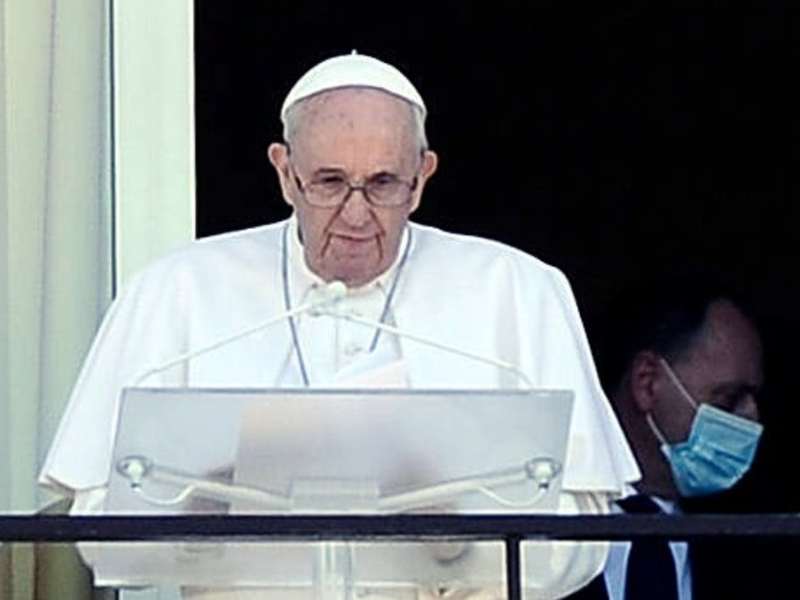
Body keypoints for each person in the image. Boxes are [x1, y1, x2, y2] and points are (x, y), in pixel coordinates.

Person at [39, 52, 639, 599]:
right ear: (284, 172)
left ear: (422, 177)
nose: (355, 214)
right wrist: (203, 513)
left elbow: (583, 534)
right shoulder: (177, 289)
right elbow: (101, 525)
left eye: (383, 184)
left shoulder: (518, 290)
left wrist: (456, 534)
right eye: (328, 182)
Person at [567, 277, 765, 600]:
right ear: (647, 383)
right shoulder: (542, 522)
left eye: (753, 398)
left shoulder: (760, 542)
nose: (750, 418)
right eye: (728, 398)